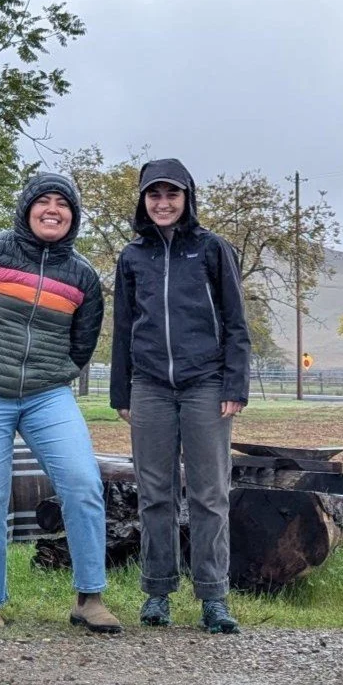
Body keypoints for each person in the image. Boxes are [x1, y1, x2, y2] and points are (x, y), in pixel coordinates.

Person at [0, 172, 121, 633]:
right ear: (27, 207)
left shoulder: (82, 276)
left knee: (82, 483)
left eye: (63, 203)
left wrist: (50, 377)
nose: (53, 209)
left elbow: (83, 344)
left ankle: (89, 598)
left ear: (73, 216)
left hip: (46, 396)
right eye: (44, 201)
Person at [110, 158, 250, 634]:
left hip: (206, 384)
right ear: (143, 201)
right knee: (154, 493)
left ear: (187, 198)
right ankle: (157, 592)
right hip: (149, 386)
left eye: (171, 195)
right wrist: (121, 392)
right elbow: (124, 329)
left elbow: (235, 322)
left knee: (210, 494)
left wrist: (234, 384)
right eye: (154, 195)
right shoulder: (131, 257)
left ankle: (214, 598)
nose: (163, 203)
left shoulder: (212, 249)